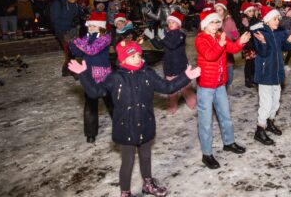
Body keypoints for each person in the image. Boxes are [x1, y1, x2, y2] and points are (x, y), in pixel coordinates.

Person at [68, 41, 201, 197]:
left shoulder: (148, 74)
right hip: (125, 128)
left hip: (145, 124)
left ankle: (148, 184)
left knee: (146, 156)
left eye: (138, 55)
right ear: (123, 60)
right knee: (128, 161)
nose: (137, 58)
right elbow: (95, 92)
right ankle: (125, 192)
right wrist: (84, 75)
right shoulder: (115, 78)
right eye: (132, 56)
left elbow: (167, 87)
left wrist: (186, 77)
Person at [195, 8, 251, 169]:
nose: (216, 24)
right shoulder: (200, 40)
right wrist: (220, 44)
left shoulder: (220, 36)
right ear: (205, 25)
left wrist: (241, 41)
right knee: (205, 122)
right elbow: (210, 55)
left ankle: (229, 142)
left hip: (220, 84)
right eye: (212, 22)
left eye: (217, 22)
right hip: (206, 87)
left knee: (225, 115)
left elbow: (232, 49)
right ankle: (207, 154)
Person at [252, 5, 291, 145]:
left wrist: (290, 42)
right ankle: (260, 129)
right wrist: (264, 42)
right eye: (274, 18)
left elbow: (285, 47)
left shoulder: (278, 32)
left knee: (276, 100)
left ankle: (270, 122)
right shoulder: (259, 33)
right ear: (266, 20)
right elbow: (263, 52)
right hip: (265, 74)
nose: (278, 21)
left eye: (278, 18)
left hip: (277, 73)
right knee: (266, 103)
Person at [69, 11, 113, 143]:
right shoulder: (88, 37)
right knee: (90, 103)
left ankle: (121, 124)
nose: (90, 28)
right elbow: (77, 51)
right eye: (89, 26)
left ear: (100, 26)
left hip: (103, 74)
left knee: (110, 102)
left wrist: (78, 42)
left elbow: (92, 50)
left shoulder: (106, 38)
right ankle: (90, 133)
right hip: (88, 73)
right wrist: (72, 43)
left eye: (92, 26)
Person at [144, 11, 196, 114]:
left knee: (185, 85)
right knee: (171, 87)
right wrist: (152, 38)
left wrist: (163, 38)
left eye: (173, 22)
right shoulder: (166, 33)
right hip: (169, 65)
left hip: (180, 64)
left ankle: (192, 102)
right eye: (170, 22)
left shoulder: (181, 35)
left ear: (178, 24)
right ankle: (172, 105)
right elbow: (159, 46)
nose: (171, 24)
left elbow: (173, 45)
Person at [50, 0, 82, 76]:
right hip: (62, 31)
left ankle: (66, 71)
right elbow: (55, 20)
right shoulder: (58, 3)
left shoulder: (74, 3)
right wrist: (69, 24)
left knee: (73, 51)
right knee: (69, 51)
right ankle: (73, 71)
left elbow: (77, 13)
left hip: (73, 30)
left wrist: (80, 17)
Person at [214, 0, 241, 87]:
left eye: (220, 10)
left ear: (224, 10)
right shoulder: (214, 21)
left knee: (228, 67)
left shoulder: (228, 21)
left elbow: (235, 34)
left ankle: (227, 84)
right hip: (217, 48)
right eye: (216, 10)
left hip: (227, 48)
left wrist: (236, 36)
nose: (218, 12)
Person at [240, 2, 261, 89]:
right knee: (249, 63)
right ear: (245, 12)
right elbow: (242, 33)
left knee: (254, 62)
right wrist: (246, 27)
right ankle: (247, 80)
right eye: (249, 11)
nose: (251, 13)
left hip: (254, 45)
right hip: (247, 46)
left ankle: (253, 78)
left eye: (252, 11)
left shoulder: (254, 19)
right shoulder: (243, 21)